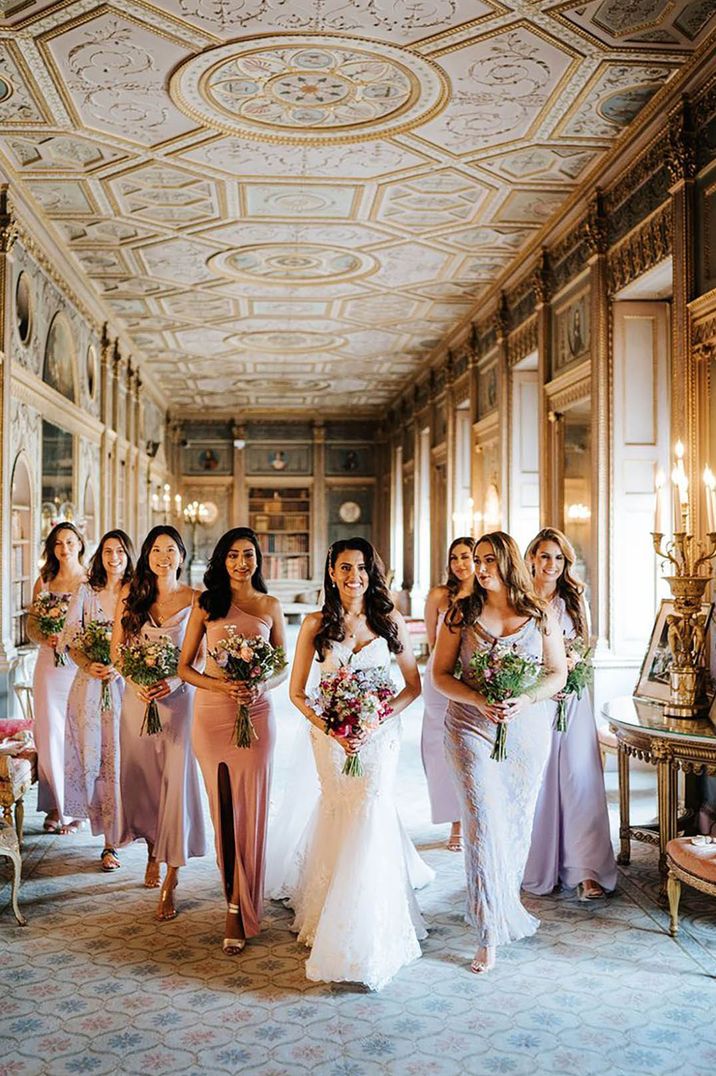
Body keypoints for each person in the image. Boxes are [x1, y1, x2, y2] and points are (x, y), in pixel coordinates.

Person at [273, 537, 431, 991]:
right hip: (330, 739)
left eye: (361, 567)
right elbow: (297, 692)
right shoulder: (314, 625)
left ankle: (369, 921)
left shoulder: (389, 621)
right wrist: (330, 726)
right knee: (339, 810)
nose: (353, 576)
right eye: (344, 567)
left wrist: (375, 719)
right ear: (331, 572)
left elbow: (411, 687)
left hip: (378, 739)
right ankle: (329, 909)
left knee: (370, 811)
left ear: (371, 573)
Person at [433, 531, 567, 975]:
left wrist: (525, 700)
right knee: (483, 823)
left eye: (489, 559)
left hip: (525, 732)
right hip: (470, 728)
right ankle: (488, 932)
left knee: (513, 824)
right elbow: (440, 676)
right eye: (477, 560)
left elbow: (556, 675)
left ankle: (502, 901)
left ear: (507, 561)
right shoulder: (460, 614)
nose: (481, 567)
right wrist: (477, 700)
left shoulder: (539, 613)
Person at [179, 528, 287, 954]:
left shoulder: (270, 605)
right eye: (233, 555)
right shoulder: (206, 604)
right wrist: (223, 688)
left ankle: (248, 902)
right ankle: (231, 904)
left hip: (258, 717)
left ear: (258, 559)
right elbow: (185, 667)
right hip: (212, 716)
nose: (242, 562)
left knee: (251, 811)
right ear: (222, 560)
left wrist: (261, 685)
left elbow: (281, 666)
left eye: (249, 555)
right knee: (223, 810)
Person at [111, 526, 206, 919]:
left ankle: (171, 876)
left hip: (181, 704)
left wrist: (174, 679)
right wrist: (136, 682)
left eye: (171, 549)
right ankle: (152, 849)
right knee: (144, 781)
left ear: (182, 556)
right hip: (137, 702)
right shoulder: (130, 596)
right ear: (147, 555)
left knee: (176, 785)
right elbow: (117, 651)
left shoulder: (198, 599)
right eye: (156, 549)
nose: (163, 556)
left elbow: (202, 657)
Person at [522, 527, 617, 900]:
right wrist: (541, 682)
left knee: (580, 781)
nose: (552, 564)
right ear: (531, 557)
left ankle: (586, 871)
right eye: (545, 556)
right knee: (540, 783)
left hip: (573, 700)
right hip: (535, 700)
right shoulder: (519, 599)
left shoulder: (575, 600)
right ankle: (534, 863)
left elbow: (584, 648)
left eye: (559, 558)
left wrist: (571, 670)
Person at [62, 531, 134, 870]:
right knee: (98, 760)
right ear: (99, 555)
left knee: (123, 760)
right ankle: (107, 841)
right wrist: (87, 662)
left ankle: (122, 836)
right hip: (90, 688)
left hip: (127, 687)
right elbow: (72, 640)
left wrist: (123, 667)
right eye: (108, 550)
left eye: (120, 551)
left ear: (129, 555)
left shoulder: (138, 593)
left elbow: (147, 639)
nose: (114, 557)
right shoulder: (85, 592)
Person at [28, 522, 86, 833]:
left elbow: (98, 625)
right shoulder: (45, 581)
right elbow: (33, 626)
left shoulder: (91, 581)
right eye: (58, 544)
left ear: (80, 544)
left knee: (75, 737)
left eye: (70, 542)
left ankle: (75, 808)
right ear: (52, 549)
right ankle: (55, 807)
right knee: (49, 736)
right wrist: (45, 636)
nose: (64, 549)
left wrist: (73, 639)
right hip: (49, 667)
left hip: (77, 666)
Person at [420, 536, 475, 851]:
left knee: (469, 749)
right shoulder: (440, 596)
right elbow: (432, 640)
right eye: (454, 557)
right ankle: (455, 821)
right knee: (441, 750)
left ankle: (473, 817)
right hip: (440, 680)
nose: (460, 564)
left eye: (466, 556)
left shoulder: (488, 597)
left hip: (474, 679)